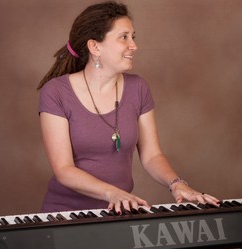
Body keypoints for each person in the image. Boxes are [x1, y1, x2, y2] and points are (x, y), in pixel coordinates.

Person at [37, 1, 220, 215]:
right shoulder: (56, 92)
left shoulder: (138, 87)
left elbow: (151, 155)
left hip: (118, 211)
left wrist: (177, 183)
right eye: (124, 37)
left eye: (133, 37)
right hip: (67, 215)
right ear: (95, 46)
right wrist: (112, 193)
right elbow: (64, 170)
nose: (133, 45)